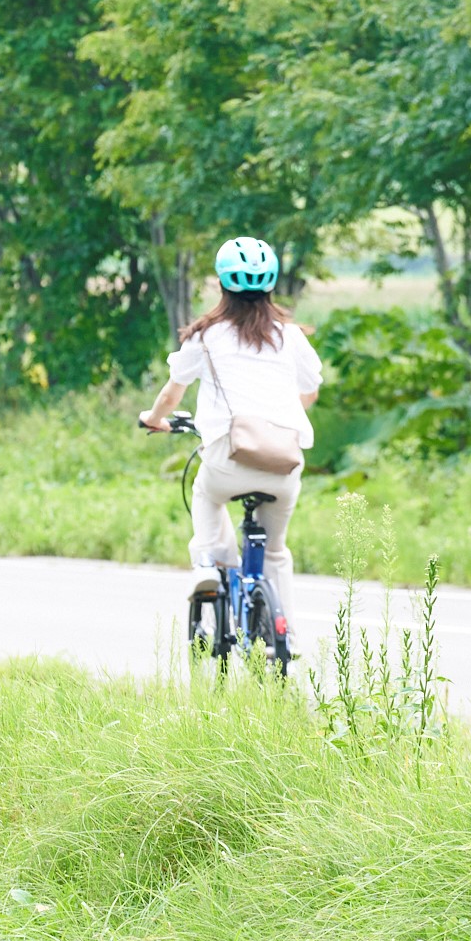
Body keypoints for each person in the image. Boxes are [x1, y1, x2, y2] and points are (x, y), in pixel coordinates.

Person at [139, 236, 325, 647]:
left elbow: (173, 394)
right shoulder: (290, 336)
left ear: (222, 286)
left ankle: (210, 562)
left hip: (228, 456)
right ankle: (286, 635)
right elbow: (310, 389)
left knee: (206, 492)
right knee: (275, 553)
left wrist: (154, 419)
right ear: (271, 285)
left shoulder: (206, 336)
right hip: (284, 462)